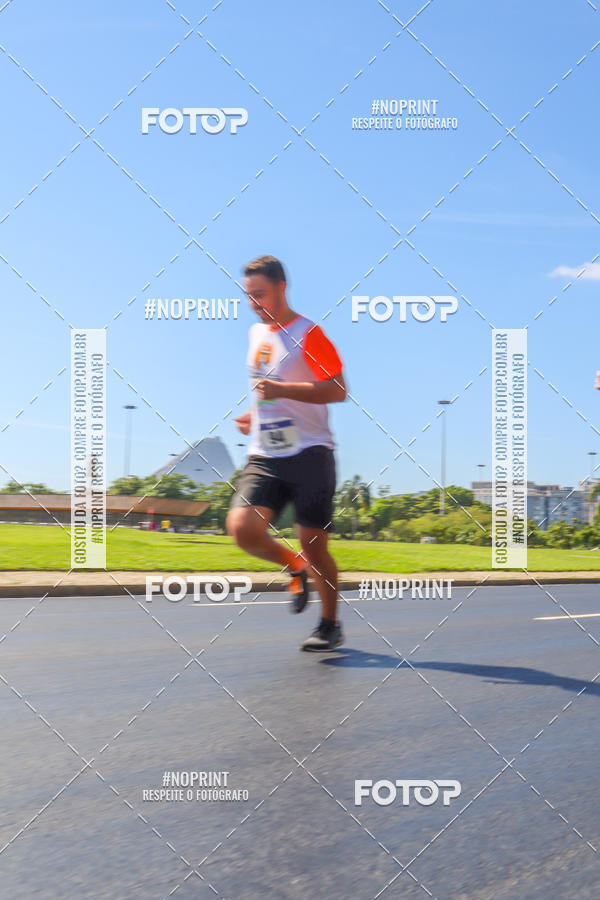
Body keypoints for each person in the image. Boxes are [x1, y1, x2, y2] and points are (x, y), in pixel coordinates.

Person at [227, 256, 347, 651]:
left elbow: (337, 390)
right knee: (242, 529)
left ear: (282, 288)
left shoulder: (309, 334)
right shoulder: (255, 334)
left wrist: (282, 391)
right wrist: (253, 414)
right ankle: (294, 566)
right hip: (266, 454)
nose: (254, 303)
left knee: (314, 546)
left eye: (260, 294)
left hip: (311, 453)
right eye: (249, 296)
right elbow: (265, 388)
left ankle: (330, 624)